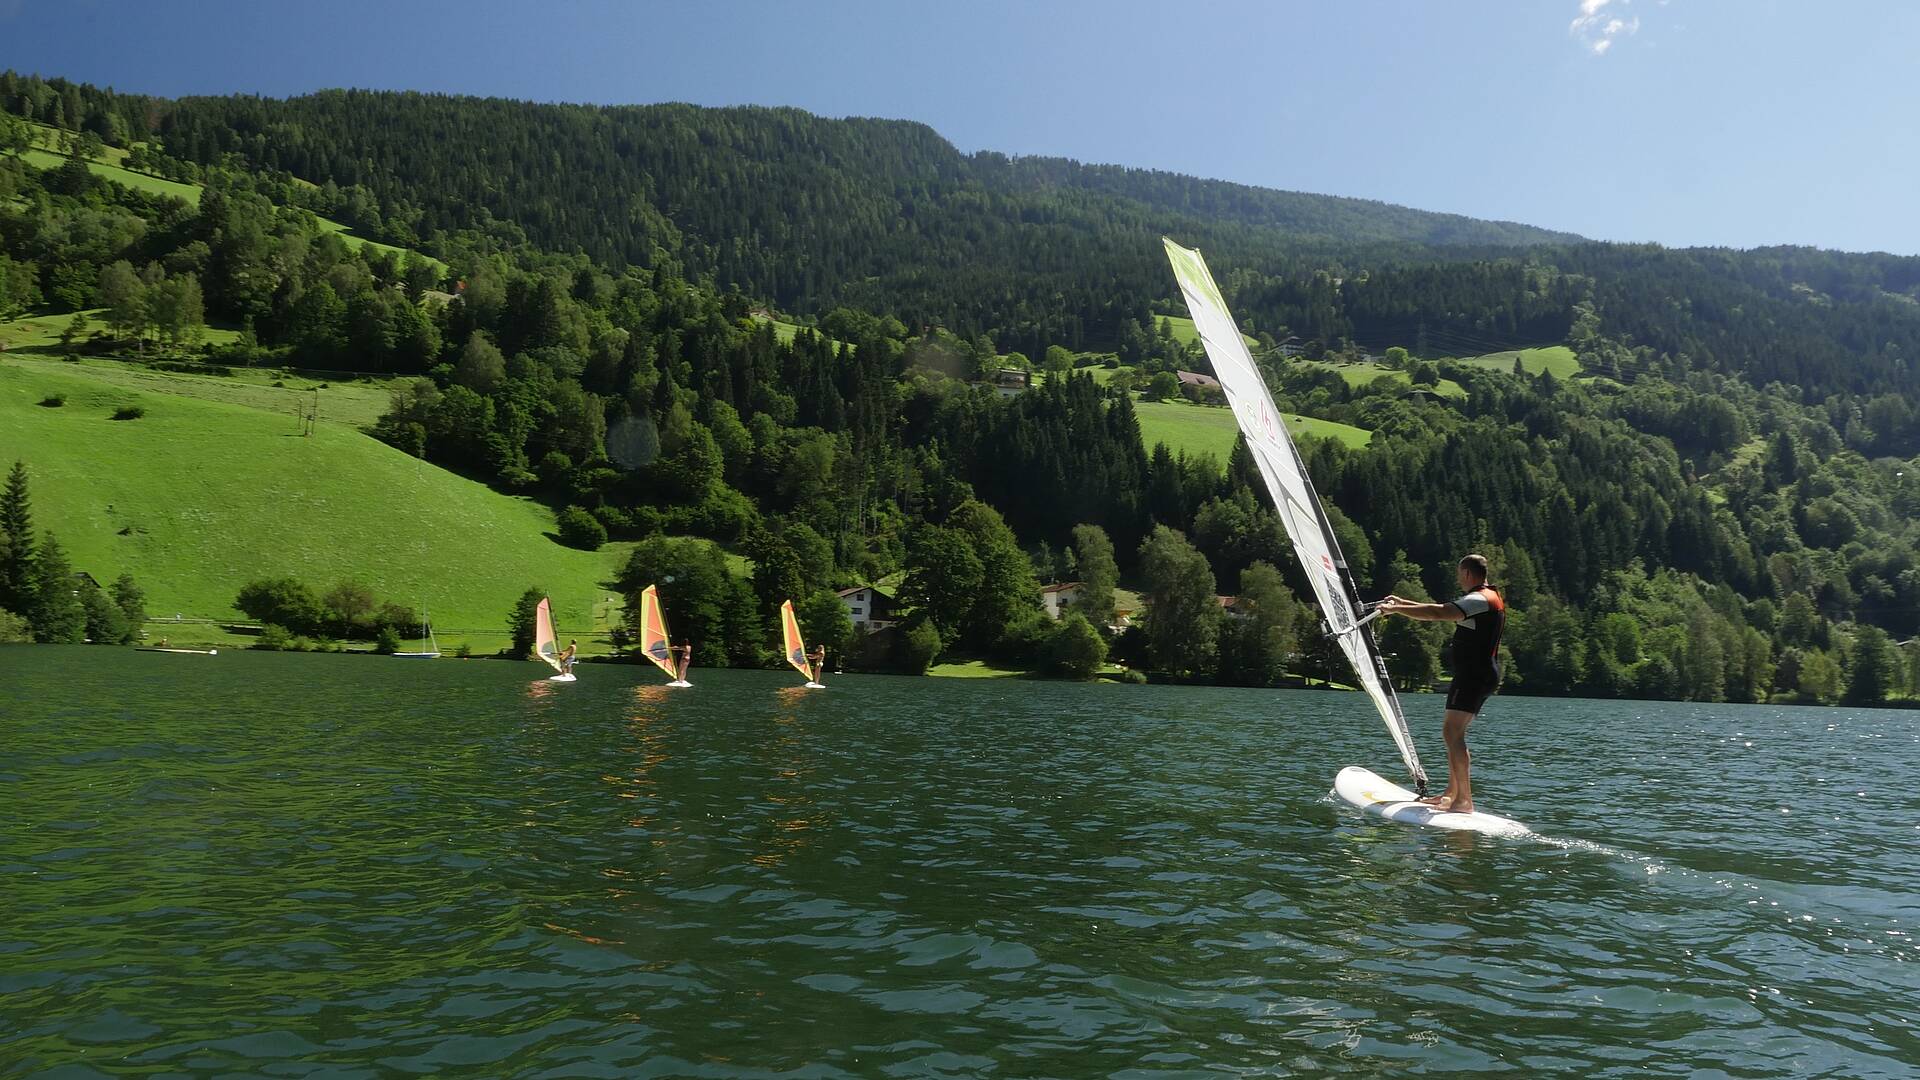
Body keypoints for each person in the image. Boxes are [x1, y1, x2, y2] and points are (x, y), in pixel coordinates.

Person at [1376, 553, 1505, 814]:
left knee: (1452, 733)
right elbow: (1446, 608)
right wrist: (1404, 604)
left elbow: (1440, 613)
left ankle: (1464, 801)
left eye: (1459, 574)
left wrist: (1396, 609)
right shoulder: (1482, 598)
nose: (1458, 579)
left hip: (1474, 675)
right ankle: (1451, 794)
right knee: (1453, 733)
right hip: (1475, 674)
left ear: (1467, 574)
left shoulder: (1480, 598)